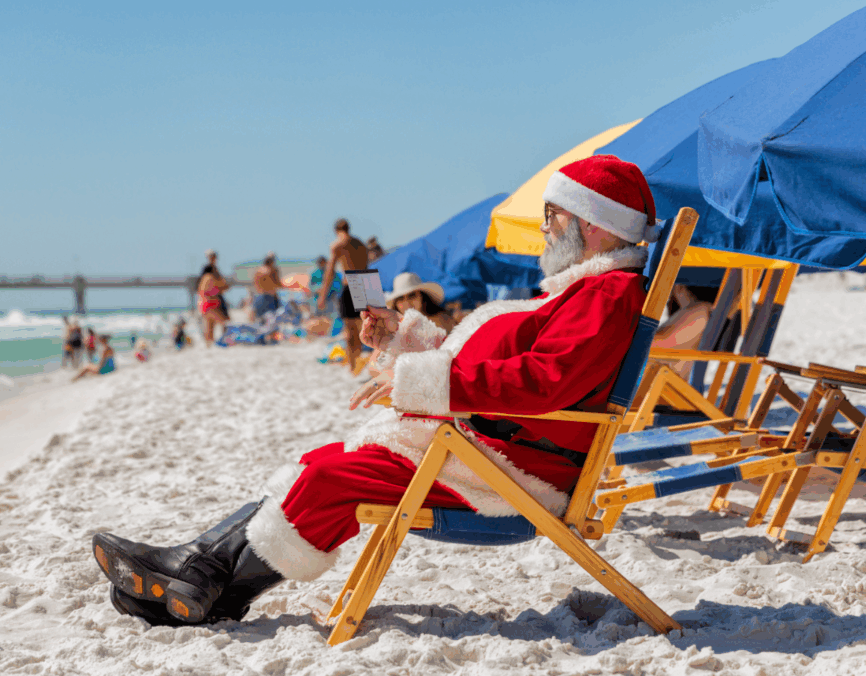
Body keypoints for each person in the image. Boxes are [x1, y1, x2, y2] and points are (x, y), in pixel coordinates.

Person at [91, 155, 662, 627]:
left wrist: (418, 384)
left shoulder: (605, 294)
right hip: (488, 449)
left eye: (554, 216)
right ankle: (205, 581)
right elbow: (497, 366)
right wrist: (403, 339)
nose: (546, 228)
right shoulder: (583, 291)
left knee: (329, 478)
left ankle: (199, 580)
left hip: (508, 472)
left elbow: (543, 383)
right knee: (327, 464)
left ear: (596, 223)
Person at [317, 219, 369, 374]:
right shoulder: (360, 244)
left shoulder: (337, 245)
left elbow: (330, 272)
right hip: (366, 282)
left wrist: (322, 296)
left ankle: (353, 366)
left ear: (335, 230)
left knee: (350, 329)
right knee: (366, 328)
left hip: (351, 284)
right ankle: (359, 362)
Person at [386, 272, 457, 333]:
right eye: (400, 298)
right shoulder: (394, 330)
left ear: (422, 296)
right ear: (396, 304)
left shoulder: (442, 319)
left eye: (412, 295)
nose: (407, 301)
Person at [197, 263, 229, 347]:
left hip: (205, 304)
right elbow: (222, 286)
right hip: (210, 304)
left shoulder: (203, 278)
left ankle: (209, 346)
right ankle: (226, 341)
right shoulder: (210, 277)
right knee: (224, 323)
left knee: (210, 327)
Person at [252, 253, 282, 320]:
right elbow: (277, 284)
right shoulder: (271, 270)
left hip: (258, 296)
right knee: (272, 322)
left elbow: (254, 283)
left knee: (260, 322)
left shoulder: (258, 271)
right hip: (269, 297)